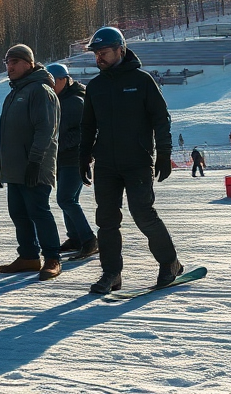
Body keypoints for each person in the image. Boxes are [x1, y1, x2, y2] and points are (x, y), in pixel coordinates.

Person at [79, 26, 183, 295]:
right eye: (96, 54)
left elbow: (161, 119)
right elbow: (88, 126)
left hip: (137, 161)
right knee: (107, 220)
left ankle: (170, 262)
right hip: (105, 164)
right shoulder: (96, 86)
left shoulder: (142, 80)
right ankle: (111, 273)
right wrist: (83, 157)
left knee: (143, 213)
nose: (98, 58)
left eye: (103, 52)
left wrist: (165, 153)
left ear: (120, 50)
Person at [0, 46, 62, 279]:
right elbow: (7, 132)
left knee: (39, 212)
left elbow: (46, 130)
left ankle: (52, 257)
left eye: (14, 61)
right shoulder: (14, 93)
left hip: (35, 166)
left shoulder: (40, 90)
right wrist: (0, 160)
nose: (9, 67)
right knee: (18, 213)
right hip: (15, 168)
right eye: (7, 62)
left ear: (29, 63)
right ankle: (29, 256)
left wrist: (35, 162)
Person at [46, 62, 96, 259]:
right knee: (68, 199)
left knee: (66, 199)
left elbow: (84, 132)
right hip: (63, 158)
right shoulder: (58, 100)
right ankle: (75, 237)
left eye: (52, 82)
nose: (49, 86)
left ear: (63, 80)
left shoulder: (75, 102)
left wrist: (59, 143)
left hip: (74, 158)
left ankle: (89, 239)